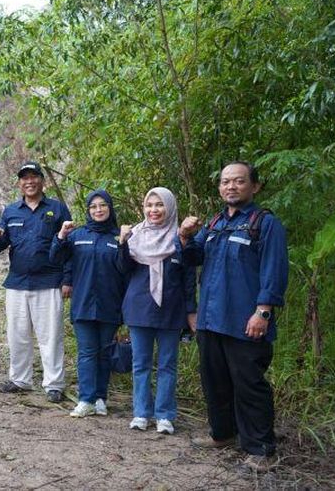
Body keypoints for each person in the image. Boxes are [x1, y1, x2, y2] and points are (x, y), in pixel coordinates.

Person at [179, 161, 288, 472]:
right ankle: (223, 434)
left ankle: (261, 448)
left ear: (254, 186)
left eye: (238, 181)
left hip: (246, 322)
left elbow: (274, 271)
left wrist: (263, 312)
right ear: (219, 188)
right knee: (215, 382)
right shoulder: (214, 225)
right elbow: (191, 259)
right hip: (212, 320)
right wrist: (186, 236)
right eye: (226, 182)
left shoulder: (265, 223)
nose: (231, 186)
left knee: (249, 384)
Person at [0, 161, 72, 402]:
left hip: (49, 281)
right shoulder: (11, 211)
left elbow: (69, 247)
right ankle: (20, 379)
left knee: (50, 336)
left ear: (42, 181)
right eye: (25, 178)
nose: (29, 181)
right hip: (17, 283)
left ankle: (54, 383)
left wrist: (68, 279)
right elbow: (1, 243)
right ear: (19, 183)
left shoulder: (57, 209)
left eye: (34, 177)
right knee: (17, 334)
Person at [117, 187, 196, 435]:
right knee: (140, 364)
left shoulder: (180, 238)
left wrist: (191, 312)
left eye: (159, 205)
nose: (154, 210)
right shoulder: (135, 236)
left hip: (171, 310)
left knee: (167, 365)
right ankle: (141, 413)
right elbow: (122, 269)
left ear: (170, 207)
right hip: (139, 308)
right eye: (150, 205)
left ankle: (165, 415)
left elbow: (189, 279)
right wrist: (122, 243)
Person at [50, 190, 126, 417]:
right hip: (83, 303)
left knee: (105, 352)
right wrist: (61, 236)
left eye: (103, 205)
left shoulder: (118, 237)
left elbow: (126, 269)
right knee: (86, 352)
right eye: (93, 207)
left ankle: (100, 398)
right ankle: (86, 399)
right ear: (88, 211)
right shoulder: (78, 234)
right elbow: (56, 257)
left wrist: (124, 244)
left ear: (110, 209)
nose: (98, 210)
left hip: (110, 303)